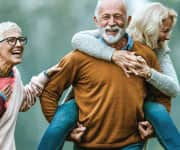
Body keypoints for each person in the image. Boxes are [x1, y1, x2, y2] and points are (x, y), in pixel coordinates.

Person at [39, 0, 170, 149]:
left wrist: (154, 128)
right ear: (96, 21)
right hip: (86, 145)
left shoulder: (145, 55)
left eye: (118, 16)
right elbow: (49, 92)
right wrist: (66, 132)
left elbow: (162, 95)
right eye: (106, 17)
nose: (112, 22)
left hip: (131, 144)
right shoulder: (78, 57)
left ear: (128, 20)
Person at [70, 2, 180, 149]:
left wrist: (148, 73)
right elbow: (78, 39)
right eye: (164, 31)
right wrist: (113, 55)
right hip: (94, 103)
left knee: (157, 112)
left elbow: (173, 89)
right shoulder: (120, 34)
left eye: (169, 31)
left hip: (136, 109)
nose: (167, 37)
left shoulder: (159, 51)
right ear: (150, 28)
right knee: (60, 124)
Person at [0, 21, 60, 150]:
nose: (18, 45)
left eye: (21, 40)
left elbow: (23, 101)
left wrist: (45, 76)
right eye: (11, 40)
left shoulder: (14, 74)